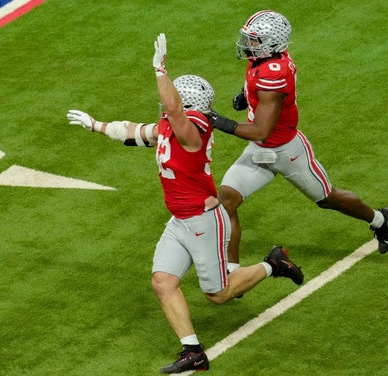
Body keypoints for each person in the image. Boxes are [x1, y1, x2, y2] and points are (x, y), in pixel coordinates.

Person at [66, 33, 304, 374]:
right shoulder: (172, 126)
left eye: (174, 100)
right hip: (180, 220)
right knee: (163, 282)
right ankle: (193, 351)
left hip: (203, 220)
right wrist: (95, 125)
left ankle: (273, 264)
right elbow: (134, 131)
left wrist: (160, 70)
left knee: (218, 296)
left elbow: (175, 112)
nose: (168, 104)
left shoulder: (194, 132)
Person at [209, 10, 388, 271]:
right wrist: (246, 95)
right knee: (225, 202)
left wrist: (218, 121)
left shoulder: (274, 72)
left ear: (272, 43)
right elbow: (261, 98)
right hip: (259, 151)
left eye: (255, 40)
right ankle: (233, 273)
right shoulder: (267, 59)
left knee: (327, 198)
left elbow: (261, 130)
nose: (248, 45)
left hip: (286, 151)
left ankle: (379, 219)